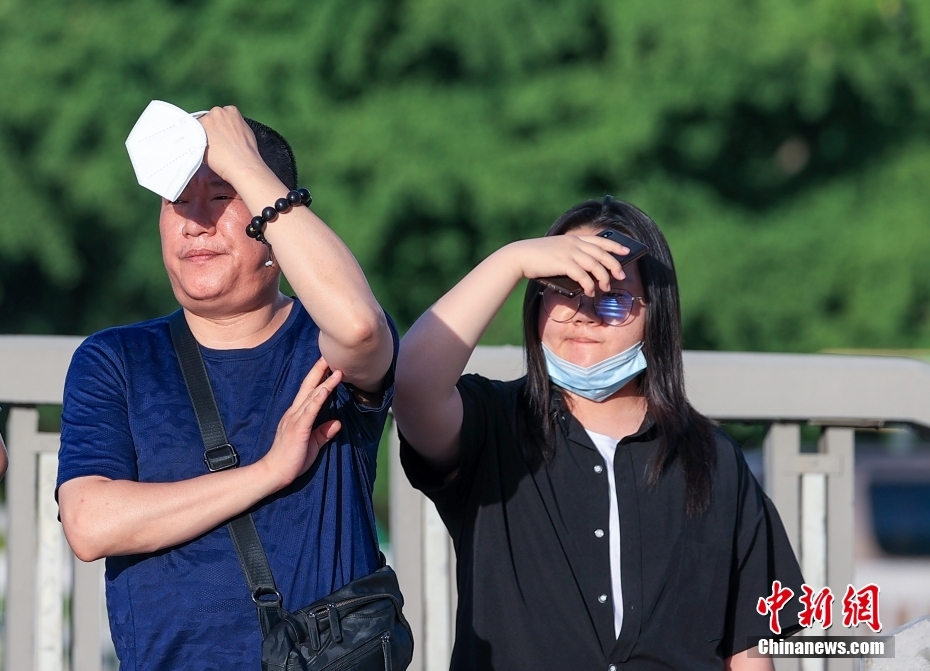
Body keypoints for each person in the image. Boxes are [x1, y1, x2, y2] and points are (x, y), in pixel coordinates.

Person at [393, 196, 804, 671]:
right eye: (564, 291)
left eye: (613, 299)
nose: (584, 315)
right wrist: (513, 259)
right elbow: (411, 383)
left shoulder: (713, 458)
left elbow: (748, 650)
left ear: (657, 316)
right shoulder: (493, 425)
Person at [56, 106, 397, 670]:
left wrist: (244, 160)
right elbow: (91, 523)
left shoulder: (323, 343)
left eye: (221, 196)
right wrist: (267, 472)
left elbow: (361, 328)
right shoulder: (116, 358)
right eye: (177, 200)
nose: (195, 222)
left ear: (270, 211)